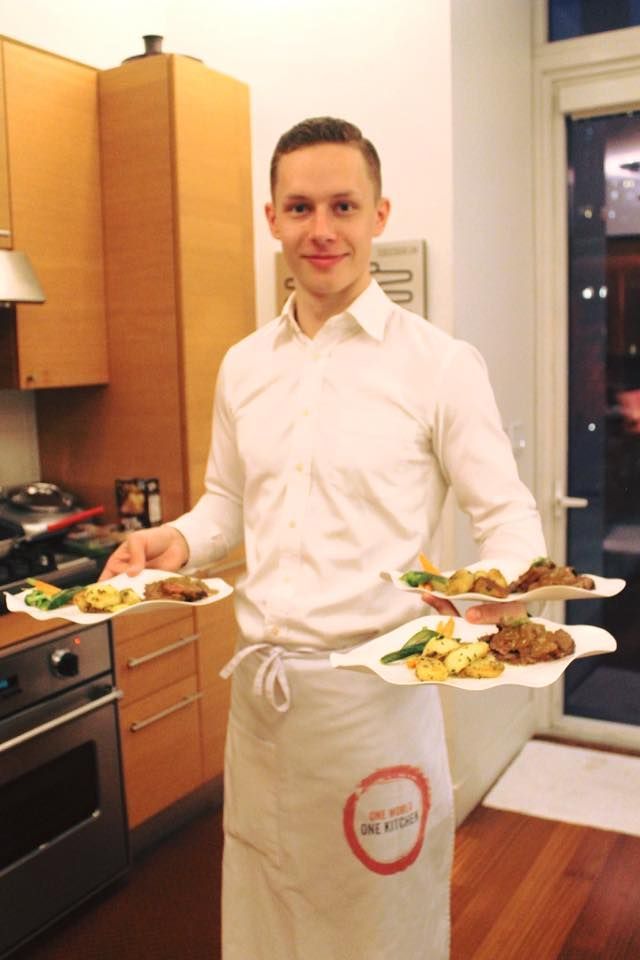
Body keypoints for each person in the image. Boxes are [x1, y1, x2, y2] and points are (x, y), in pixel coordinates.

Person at [103, 116, 546, 959]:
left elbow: (509, 521)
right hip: (263, 709)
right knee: (267, 910)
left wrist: (489, 591)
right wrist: (177, 542)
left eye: (343, 205)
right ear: (271, 217)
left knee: (379, 927)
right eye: (300, 207)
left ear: (379, 214)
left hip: (374, 705)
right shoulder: (245, 366)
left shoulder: (438, 365)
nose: (321, 229)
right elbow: (228, 504)